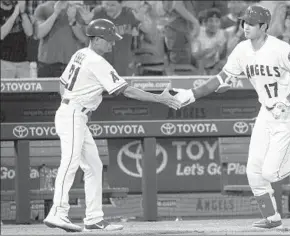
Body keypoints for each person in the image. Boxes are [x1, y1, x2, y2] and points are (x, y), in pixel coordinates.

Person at [173, 5, 290, 229]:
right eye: (244, 22)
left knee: (271, 173)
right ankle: (272, 218)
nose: (245, 26)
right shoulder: (241, 50)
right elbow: (219, 78)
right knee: (254, 171)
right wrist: (189, 95)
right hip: (266, 112)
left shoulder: (280, 48)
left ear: (264, 26)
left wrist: (286, 100)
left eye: (251, 23)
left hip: (289, 113)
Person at [43, 18, 181, 232]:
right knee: (70, 162)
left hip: (73, 113)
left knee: (94, 166)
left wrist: (72, 103)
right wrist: (159, 98)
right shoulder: (97, 61)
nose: (112, 43)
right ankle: (57, 213)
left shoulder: (80, 53)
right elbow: (127, 90)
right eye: (108, 40)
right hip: (73, 115)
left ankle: (94, 218)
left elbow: (62, 85)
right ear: (96, 39)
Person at [34, 1, 88, 78]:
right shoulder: (42, 8)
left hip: (71, 64)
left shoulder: (77, 10)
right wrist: (55, 14)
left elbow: (83, 38)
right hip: (47, 64)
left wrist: (72, 19)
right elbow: (39, 33)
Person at [1, 0, 33, 79]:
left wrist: (22, 13)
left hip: (23, 62)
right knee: (6, 91)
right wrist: (15, 13)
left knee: (26, 90)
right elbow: (1, 34)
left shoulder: (20, 8)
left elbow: (29, 32)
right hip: (4, 62)